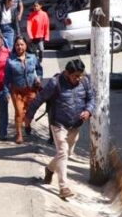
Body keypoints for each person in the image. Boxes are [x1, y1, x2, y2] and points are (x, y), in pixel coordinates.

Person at [25, 59, 94, 200]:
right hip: (58, 123)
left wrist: (88, 111)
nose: (79, 78)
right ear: (67, 73)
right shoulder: (55, 83)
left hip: (75, 124)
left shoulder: (85, 81)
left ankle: (49, 169)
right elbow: (39, 99)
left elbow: (92, 99)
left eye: (80, 75)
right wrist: (29, 117)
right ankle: (63, 187)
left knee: (67, 153)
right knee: (62, 151)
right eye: (75, 76)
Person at [6, 36, 43, 145]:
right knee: (19, 112)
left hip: (31, 90)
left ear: (26, 45)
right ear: (14, 46)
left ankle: (27, 124)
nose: (19, 47)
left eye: (22, 44)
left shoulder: (32, 57)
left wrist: (39, 78)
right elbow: (7, 78)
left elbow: (39, 69)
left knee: (28, 111)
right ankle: (19, 135)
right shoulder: (10, 61)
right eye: (17, 45)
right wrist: (6, 92)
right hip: (17, 91)